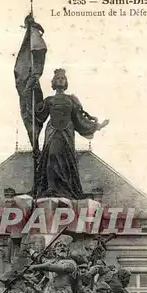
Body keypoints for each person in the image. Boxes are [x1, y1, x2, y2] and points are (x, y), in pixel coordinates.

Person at [33, 69, 109, 199]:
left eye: (63, 78)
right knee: (51, 155)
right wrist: (33, 91)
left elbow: (79, 118)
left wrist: (97, 126)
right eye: (58, 78)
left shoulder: (71, 100)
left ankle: (65, 188)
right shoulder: (49, 100)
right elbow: (38, 114)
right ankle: (51, 187)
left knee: (66, 159)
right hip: (52, 131)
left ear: (66, 82)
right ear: (53, 82)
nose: (60, 80)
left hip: (67, 132)